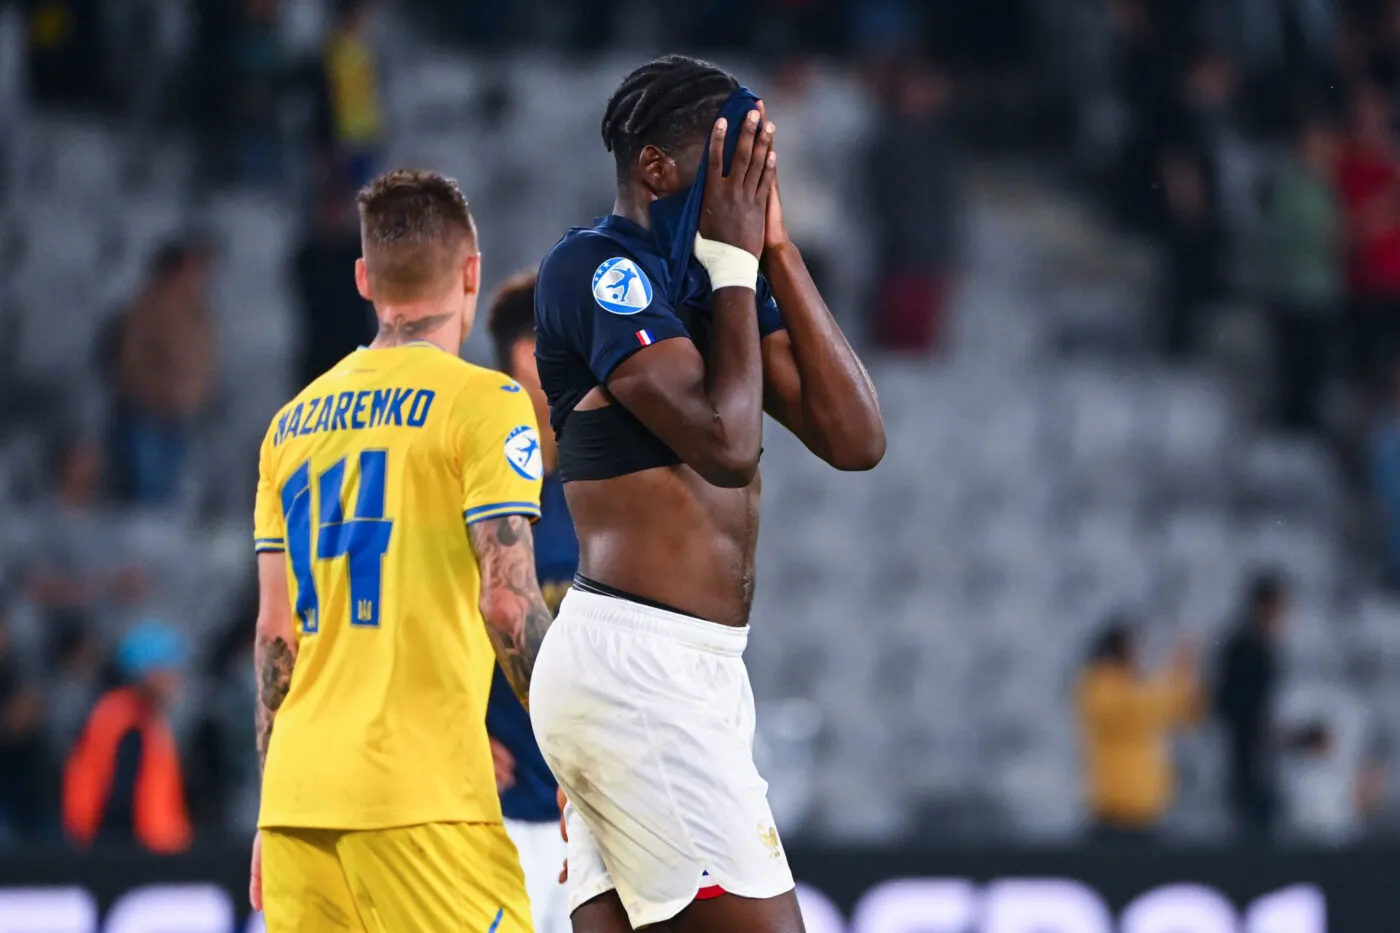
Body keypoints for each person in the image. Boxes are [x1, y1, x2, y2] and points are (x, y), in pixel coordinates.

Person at [531, 56, 885, 933]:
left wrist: (778, 252)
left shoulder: (720, 282)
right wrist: (735, 275)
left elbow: (857, 440)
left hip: (684, 669)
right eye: (736, 165)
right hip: (638, 667)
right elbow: (727, 443)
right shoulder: (595, 269)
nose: (752, 187)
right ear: (657, 168)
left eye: (762, 168)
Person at [249, 170, 549, 933]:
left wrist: (271, 807)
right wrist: (579, 758)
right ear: (473, 271)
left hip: (298, 807)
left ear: (363, 279)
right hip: (424, 804)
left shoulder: (289, 426)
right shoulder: (484, 403)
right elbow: (508, 599)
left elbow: (274, 634)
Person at [486, 271, 577, 933]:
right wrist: (453, 732)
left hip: (596, 813)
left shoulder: (605, 491)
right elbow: (412, 627)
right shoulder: (471, 494)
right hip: (496, 812)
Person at [62, 620, 191, 853]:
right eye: (168, 670)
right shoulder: (122, 720)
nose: (174, 679)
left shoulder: (148, 718)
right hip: (130, 853)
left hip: (152, 851)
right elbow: (117, 797)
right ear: (147, 673)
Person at [1076, 618, 1200, 845]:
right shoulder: (1100, 684)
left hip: (1148, 809)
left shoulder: (1139, 687)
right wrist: (1173, 680)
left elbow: (1187, 712)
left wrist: (1184, 673)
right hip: (1114, 810)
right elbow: (1134, 712)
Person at [1215, 572, 1288, 841]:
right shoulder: (1244, 646)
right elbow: (1227, 701)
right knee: (1251, 829)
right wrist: (1260, 726)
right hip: (1246, 754)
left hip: (1258, 753)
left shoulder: (1261, 645)